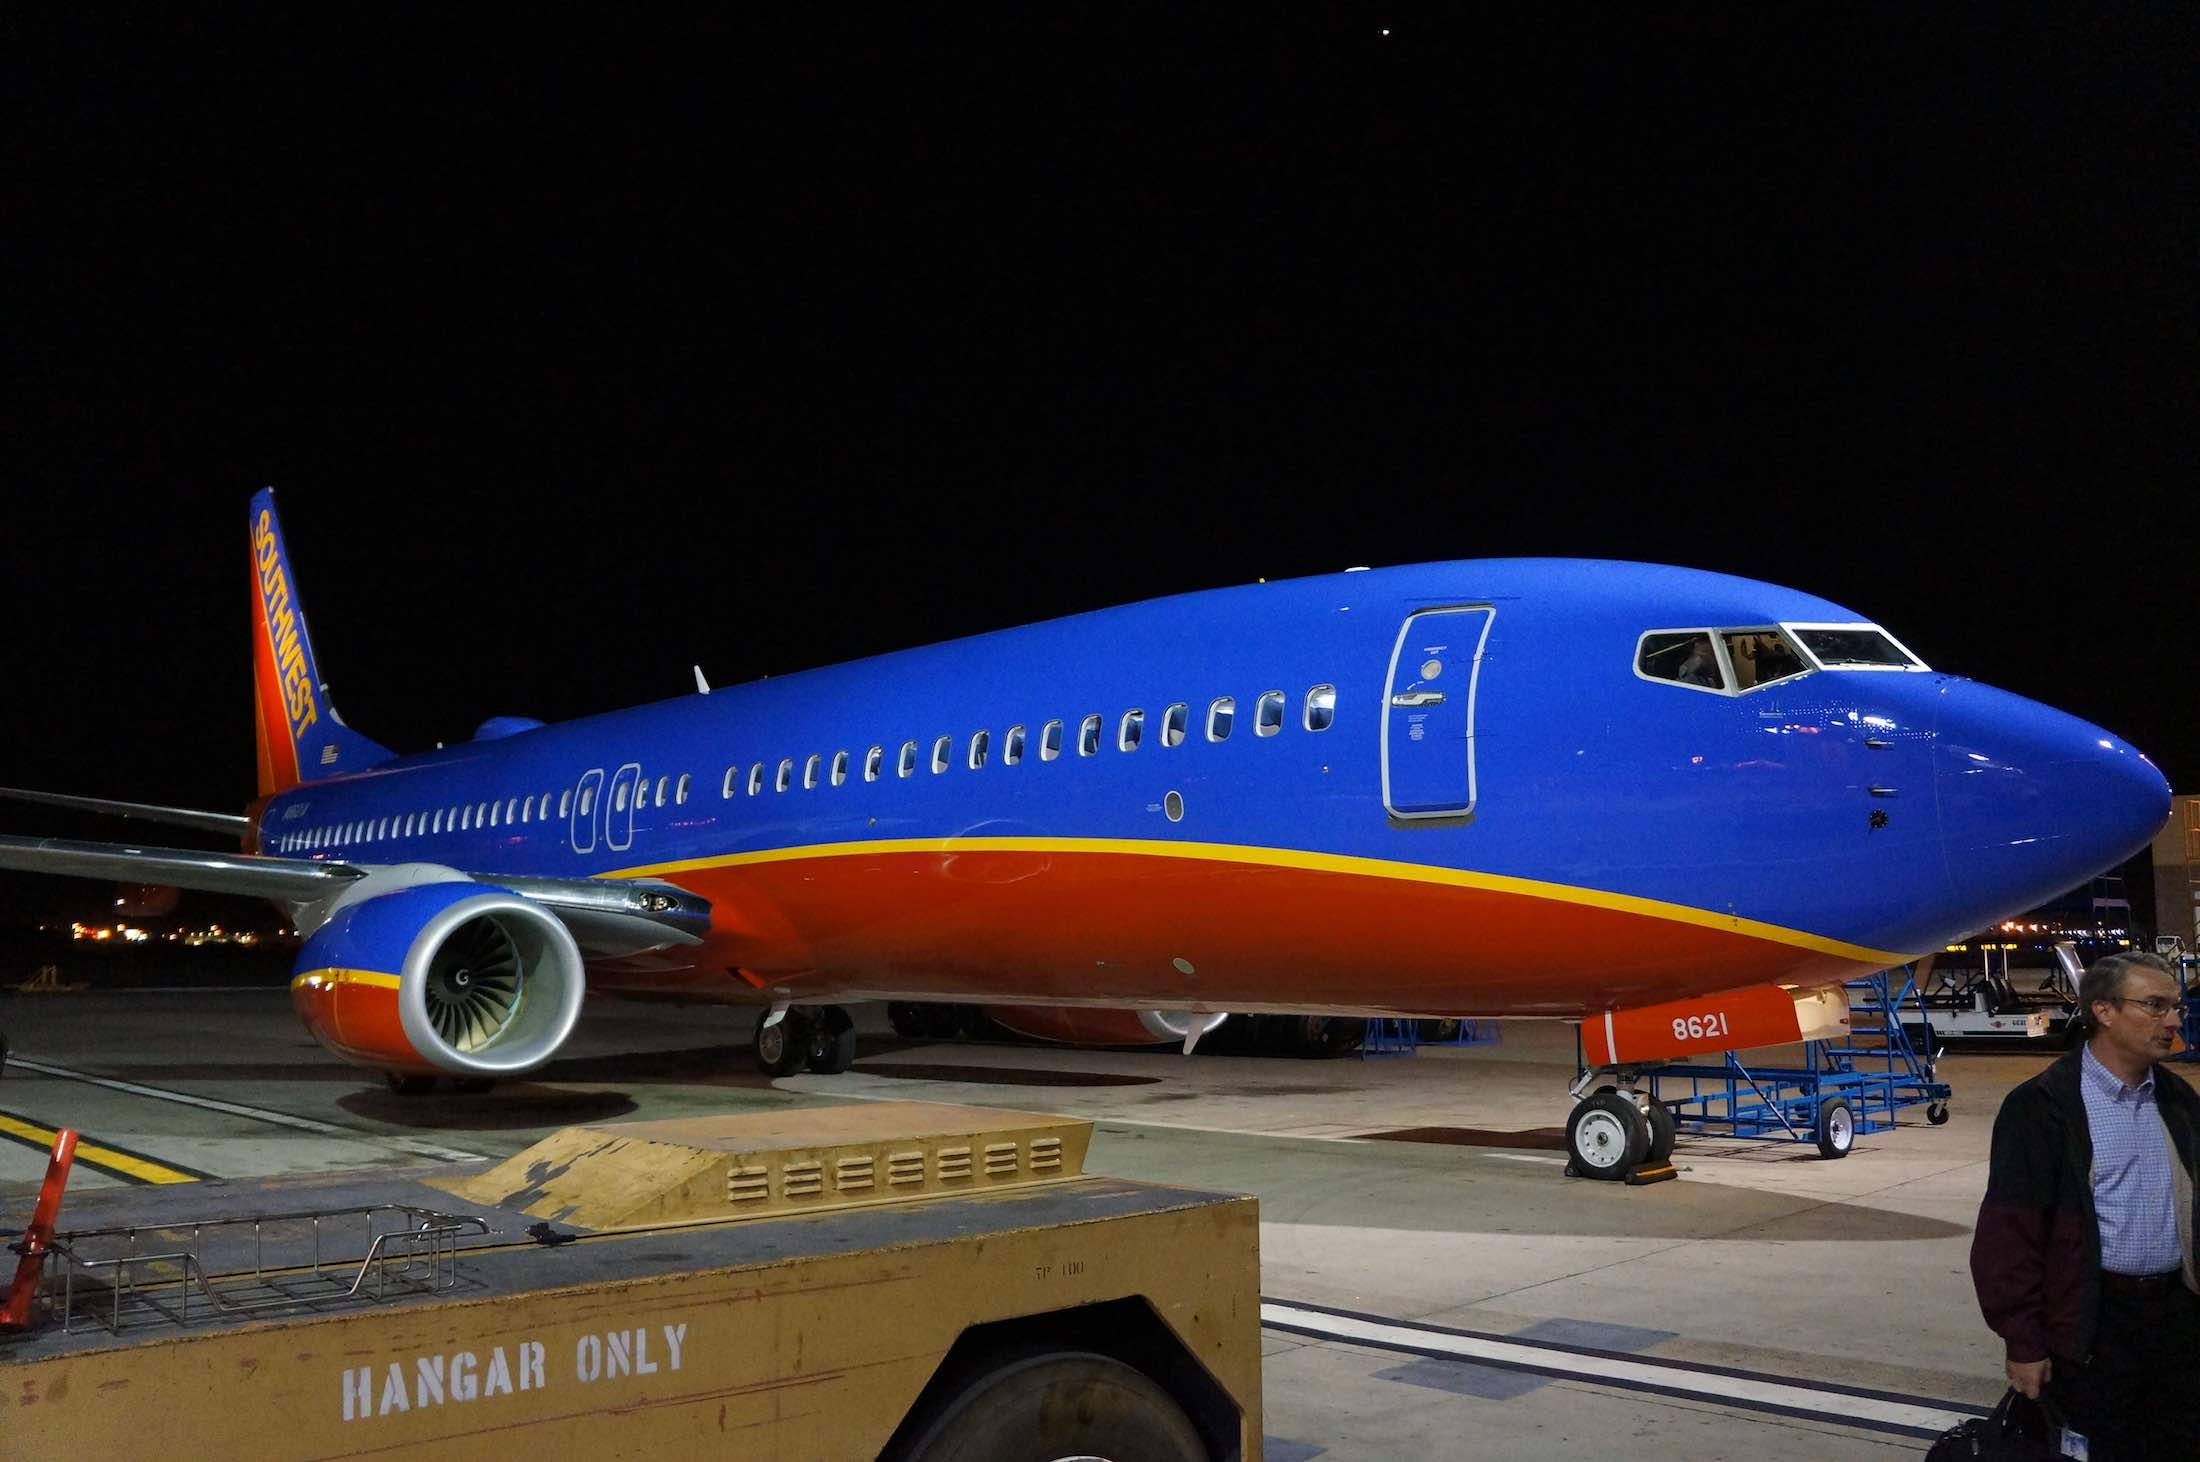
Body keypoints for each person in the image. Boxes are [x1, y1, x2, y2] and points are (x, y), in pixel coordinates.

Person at [1971, 950, 2200, 1461]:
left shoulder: (2179, 1103)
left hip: (2175, 1322)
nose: (2174, 1020)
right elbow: (2009, 1238)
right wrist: (2024, 1343)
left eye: (2176, 1007)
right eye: (2156, 1006)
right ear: (2104, 1011)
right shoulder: (2043, 1107)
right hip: (2094, 1324)